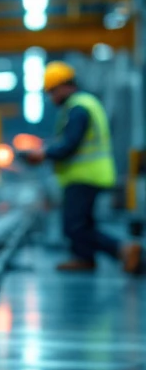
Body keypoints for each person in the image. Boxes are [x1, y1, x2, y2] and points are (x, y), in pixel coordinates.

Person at [23, 61, 142, 273]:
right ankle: (84, 258)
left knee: (74, 225)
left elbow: (70, 145)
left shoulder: (79, 108)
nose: (52, 97)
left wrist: (44, 153)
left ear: (65, 86)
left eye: (53, 91)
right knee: (83, 223)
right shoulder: (82, 105)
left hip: (85, 175)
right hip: (89, 174)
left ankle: (122, 250)